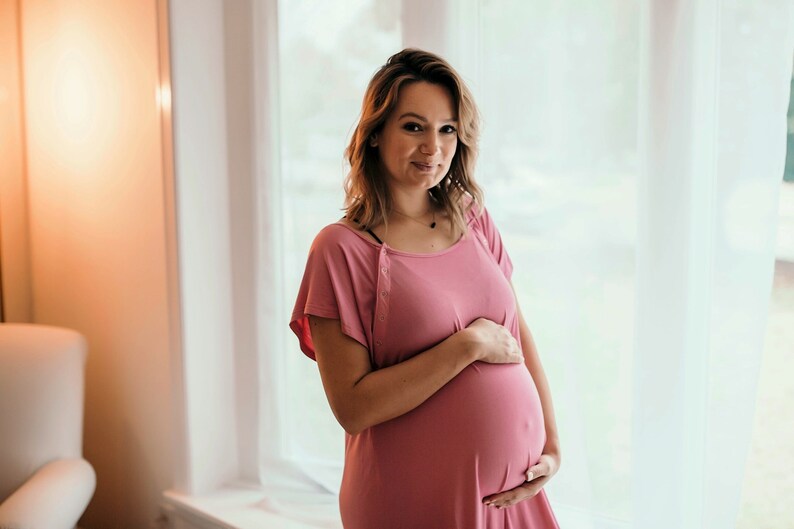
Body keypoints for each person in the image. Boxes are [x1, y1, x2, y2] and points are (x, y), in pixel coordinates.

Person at [289, 48, 560, 528]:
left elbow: (518, 336)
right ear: (375, 135)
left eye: (447, 129)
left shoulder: (473, 219)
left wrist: (552, 446)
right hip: (412, 499)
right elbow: (353, 407)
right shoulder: (341, 250)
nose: (432, 147)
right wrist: (466, 345)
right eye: (413, 127)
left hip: (514, 498)